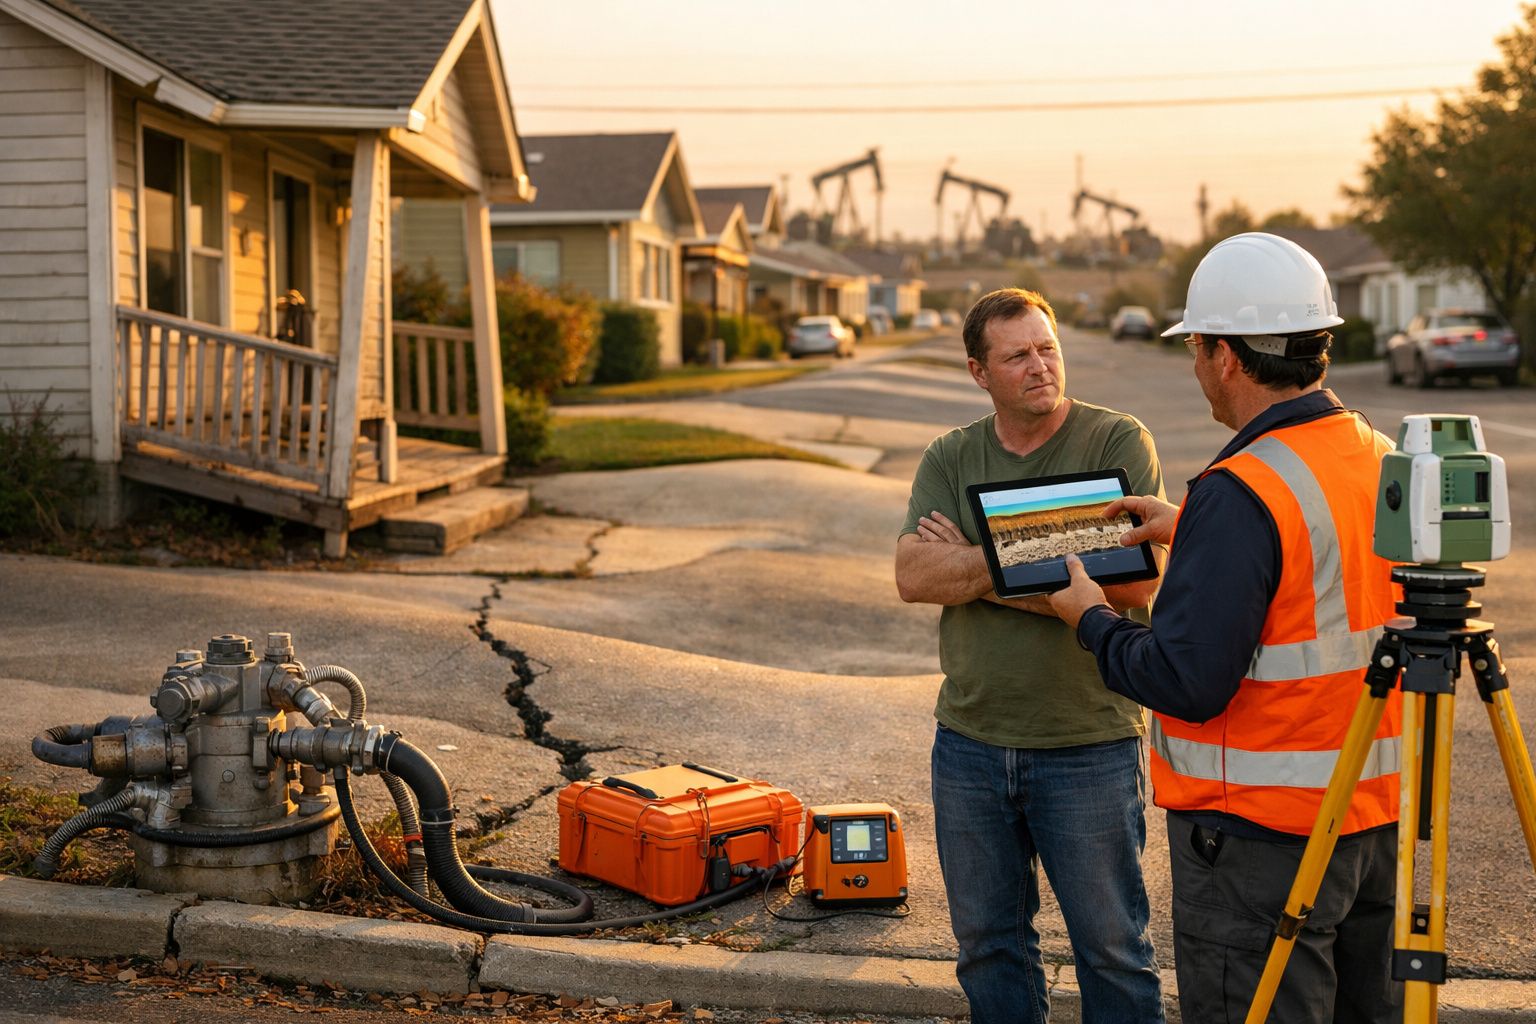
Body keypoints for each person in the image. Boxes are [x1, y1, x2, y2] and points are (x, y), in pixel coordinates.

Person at [1048, 232, 1403, 1024]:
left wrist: (1092, 620)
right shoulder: (1373, 454)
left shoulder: (1242, 489)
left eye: (1197, 348)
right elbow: (1324, 576)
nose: (1196, 365)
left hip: (1258, 842)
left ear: (1227, 357)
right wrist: (1193, 531)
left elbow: (1187, 678)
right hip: (1366, 823)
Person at [894, 287, 1166, 1024]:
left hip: (1088, 741)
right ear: (981, 372)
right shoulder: (952, 455)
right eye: (1018, 355)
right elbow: (914, 575)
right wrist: (1060, 558)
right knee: (988, 947)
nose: (1041, 366)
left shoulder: (1116, 442)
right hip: (971, 743)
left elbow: (1136, 584)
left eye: (1048, 348)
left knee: (1112, 951)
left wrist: (975, 566)